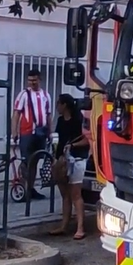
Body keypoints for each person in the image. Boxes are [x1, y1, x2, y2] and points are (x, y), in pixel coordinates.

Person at [49, 94, 90, 240]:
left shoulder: (78, 120)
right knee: (65, 195)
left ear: (64, 105)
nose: (56, 106)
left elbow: (88, 140)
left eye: (58, 103)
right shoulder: (60, 121)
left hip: (77, 159)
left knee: (75, 195)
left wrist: (72, 145)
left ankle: (80, 228)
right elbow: (59, 141)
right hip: (63, 160)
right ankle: (64, 225)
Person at [13, 69, 52, 201]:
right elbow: (17, 113)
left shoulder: (46, 95)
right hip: (27, 133)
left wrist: (50, 133)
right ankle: (23, 188)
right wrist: (14, 131)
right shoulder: (23, 94)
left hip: (41, 133)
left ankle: (30, 188)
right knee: (25, 161)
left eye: (34, 80)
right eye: (29, 81)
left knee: (35, 161)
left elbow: (49, 115)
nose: (32, 83)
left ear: (40, 80)